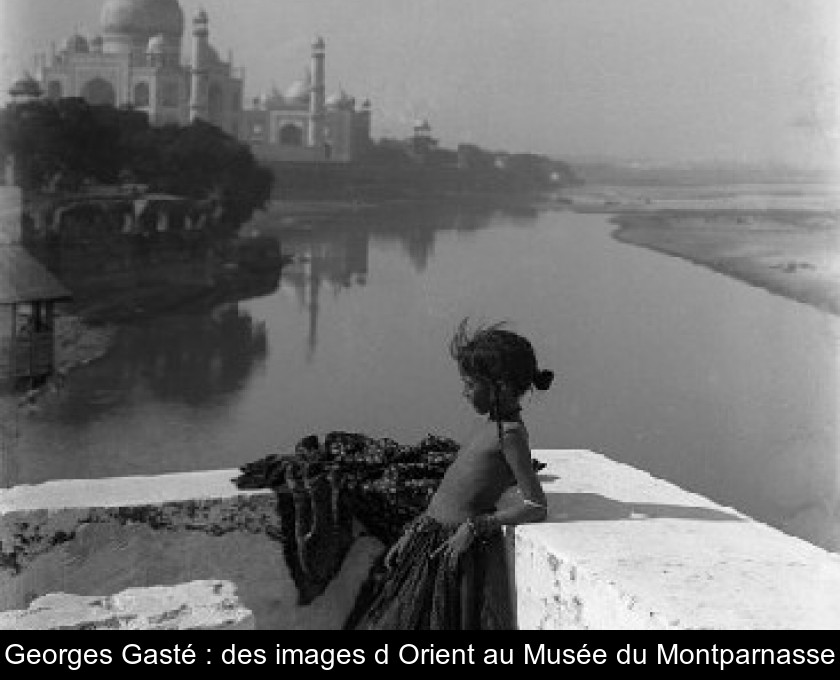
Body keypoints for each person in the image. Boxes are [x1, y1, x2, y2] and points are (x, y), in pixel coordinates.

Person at [355, 319, 554, 629]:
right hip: (431, 540)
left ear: (499, 386)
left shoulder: (510, 434)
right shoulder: (491, 426)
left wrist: (476, 527)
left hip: (457, 550)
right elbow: (452, 491)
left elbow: (535, 505)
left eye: (471, 385)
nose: (464, 393)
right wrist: (414, 532)